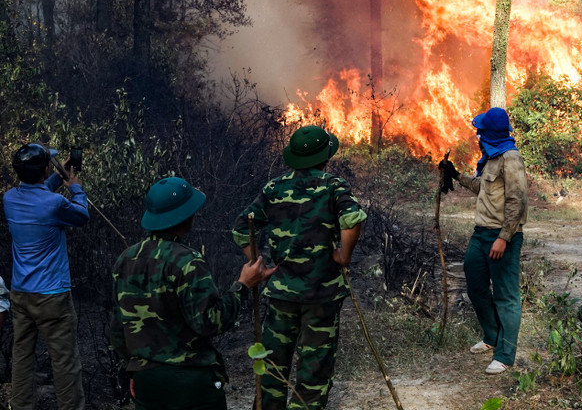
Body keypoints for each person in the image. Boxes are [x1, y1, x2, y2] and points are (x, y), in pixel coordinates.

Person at [110, 176, 275, 410]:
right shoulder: (187, 262)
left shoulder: (124, 260)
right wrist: (243, 285)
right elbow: (211, 322)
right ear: (184, 216)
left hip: (147, 382)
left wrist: (133, 368)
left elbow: (118, 329)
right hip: (190, 382)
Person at [232, 125, 367, 410]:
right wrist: (343, 256)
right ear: (325, 157)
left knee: (272, 368)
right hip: (322, 295)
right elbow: (352, 218)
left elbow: (242, 228)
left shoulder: (274, 188)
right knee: (314, 372)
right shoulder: (334, 186)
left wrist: (258, 266)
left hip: (281, 293)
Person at [440, 107, 527, 375]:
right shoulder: (491, 157)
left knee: (506, 295)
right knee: (475, 285)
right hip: (480, 234)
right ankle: (492, 336)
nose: (478, 136)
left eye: (481, 132)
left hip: (502, 236)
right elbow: (482, 187)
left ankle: (505, 355)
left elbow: (517, 201)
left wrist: (504, 238)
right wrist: (455, 175)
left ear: (490, 133)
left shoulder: (511, 158)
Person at [3, 143, 89, 410]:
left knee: (22, 357)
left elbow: (38, 196)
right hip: (52, 296)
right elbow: (82, 215)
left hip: (21, 293)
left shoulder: (9, 199)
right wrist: (75, 187)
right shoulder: (55, 204)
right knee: (64, 362)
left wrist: (57, 178)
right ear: (43, 171)